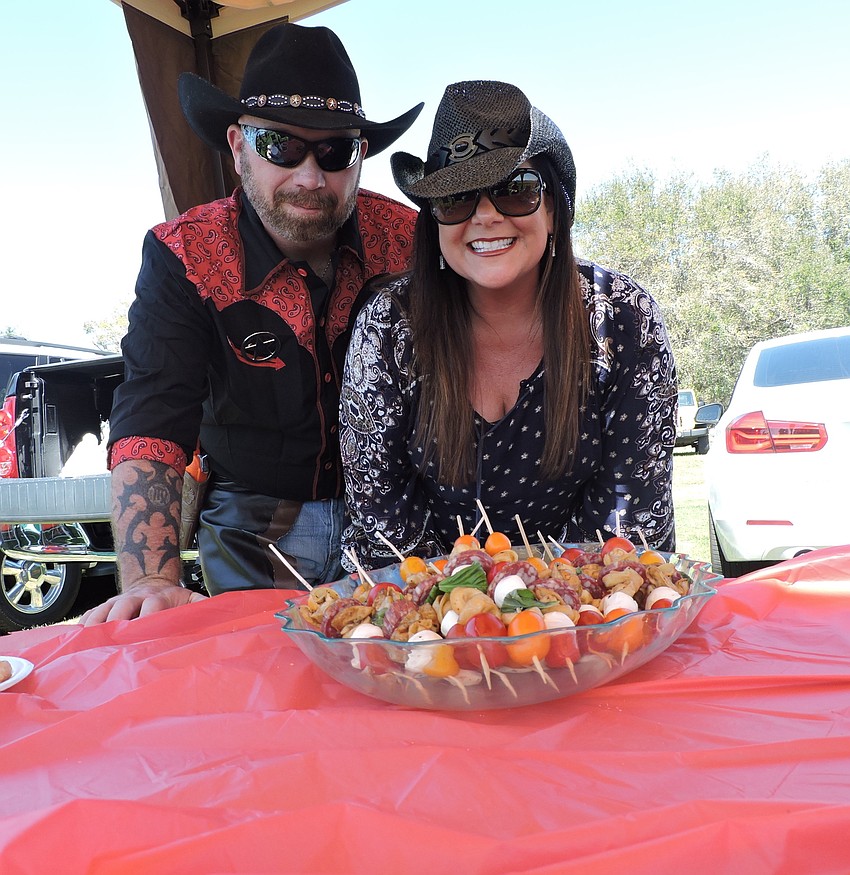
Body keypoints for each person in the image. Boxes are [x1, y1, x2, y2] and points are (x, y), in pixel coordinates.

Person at [83, 23, 423, 625]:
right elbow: (155, 412)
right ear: (238, 146)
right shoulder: (184, 252)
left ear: (361, 156)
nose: (310, 177)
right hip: (250, 520)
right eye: (281, 148)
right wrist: (152, 579)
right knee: (266, 694)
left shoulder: (411, 243)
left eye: (335, 151)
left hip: (397, 517)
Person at [340, 80, 677, 569]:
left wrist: (544, 610)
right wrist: (461, 612)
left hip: (590, 616)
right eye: (456, 198)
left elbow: (630, 523)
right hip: (430, 617)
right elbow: (382, 522)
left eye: (514, 190)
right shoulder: (390, 328)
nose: (485, 216)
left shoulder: (622, 319)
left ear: (556, 208)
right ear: (433, 222)